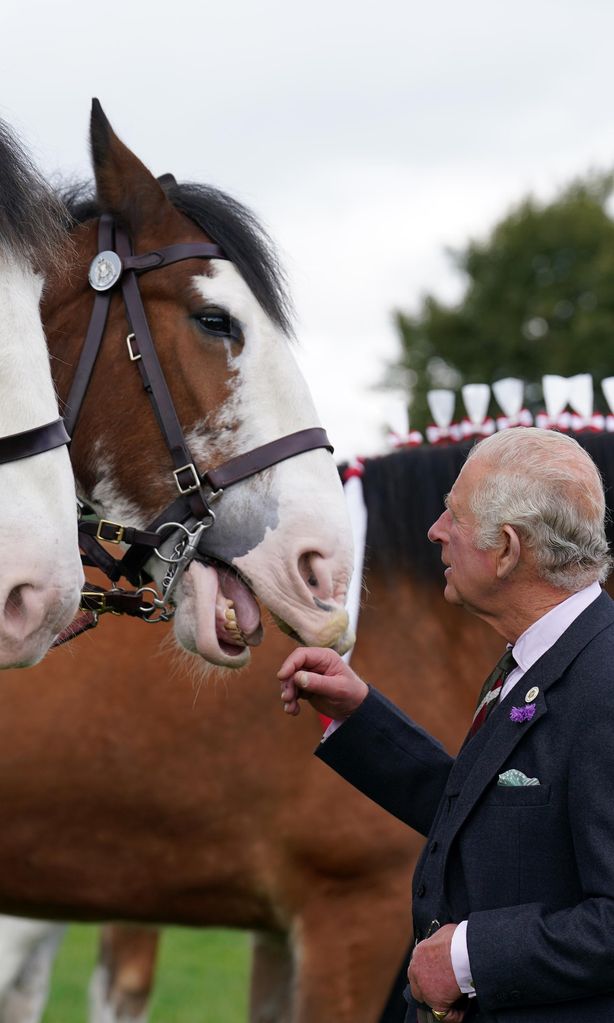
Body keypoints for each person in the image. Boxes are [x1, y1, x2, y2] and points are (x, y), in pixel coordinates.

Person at [278, 427, 614, 1023]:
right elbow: (486, 821)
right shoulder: (539, 656)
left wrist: (466, 958)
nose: (435, 531)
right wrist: (360, 715)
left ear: (507, 550)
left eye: (453, 516)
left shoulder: (603, 682)